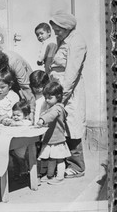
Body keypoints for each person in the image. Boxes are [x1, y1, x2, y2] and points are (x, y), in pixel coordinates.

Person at [49, 11, 87, 178]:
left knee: (72, 125)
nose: (56, 33)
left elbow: (71, 73)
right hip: (59, 87)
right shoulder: (63, 39)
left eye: (59, 30)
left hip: (69, 89)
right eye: (54, 30)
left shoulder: (77, 42)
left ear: (67, 27)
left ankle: (77, 166)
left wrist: (62, 97)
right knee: (61, 125)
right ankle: (63, 162)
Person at [37, 82, 71, 185]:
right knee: (51, 158)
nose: (47, 100)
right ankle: (50, 175)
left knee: (59, 160)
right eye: (46, 97)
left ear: (58, 96)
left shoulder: (58, 108)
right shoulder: (51, 106)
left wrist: (42, 120)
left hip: (57, 139)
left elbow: (51, 115)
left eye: (50, 98)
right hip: (50, 139)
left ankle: (60, 177)